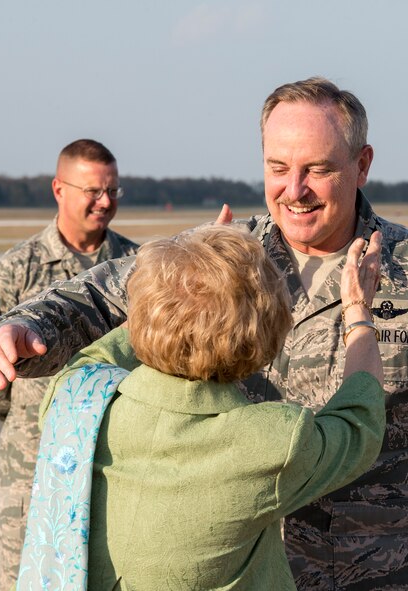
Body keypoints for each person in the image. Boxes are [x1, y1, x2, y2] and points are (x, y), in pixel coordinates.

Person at [0, 77, 408, 591]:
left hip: (389, 573)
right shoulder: (225, 259)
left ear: (362, 164)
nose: (295, 191)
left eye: (317, 169)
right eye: (278, 167)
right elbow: (103, 291)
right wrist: (28, 325)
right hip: (251, 574)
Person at [19, 226, 387, 589]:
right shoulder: (272, 442)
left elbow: (97, 356)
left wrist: (174, 292)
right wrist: (358, 312)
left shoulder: (77, 399)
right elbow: (359, 425)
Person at [0, 138, 138, 590]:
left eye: (112, 190)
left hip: (114, 464)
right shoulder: (15, 272)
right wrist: (34, 416)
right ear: (59, 189)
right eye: (93, 191)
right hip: (33, 469)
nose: (105, 202)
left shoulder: (137, 266)